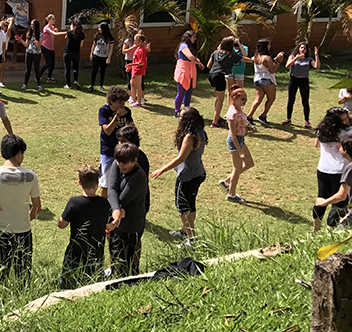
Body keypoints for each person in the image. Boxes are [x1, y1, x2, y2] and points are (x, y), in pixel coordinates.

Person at [0, 134, 41, 280]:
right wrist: (26, 220)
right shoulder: (31, 176)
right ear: (19, 153)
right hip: (23, 231)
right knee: (23, 275)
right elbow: (37, 208)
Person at [150, 107, 208, 245]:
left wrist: (162, 170)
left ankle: (191, 239)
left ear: (188, 119)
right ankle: (184, 231)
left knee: (182, 206)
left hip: (187, 176)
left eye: (181, 117)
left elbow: (181, 158)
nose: (178, 118)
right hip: (198, 173)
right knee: (190, 204)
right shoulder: (200, 132)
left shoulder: (189, 136)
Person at [57, 166, 113, 289]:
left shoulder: (74, 202)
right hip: (96, 255)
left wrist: (60, 220)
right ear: (97, 184)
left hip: (75, 254)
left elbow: (62, 224)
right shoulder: (104, 203)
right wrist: (118, 219)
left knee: (67, 286)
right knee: (94, 287)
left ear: (79, 183)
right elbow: (109, 227)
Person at [107, 142, 149, 277]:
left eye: (125, 162)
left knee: (125, 262)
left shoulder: (139, 177)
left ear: (135, 160)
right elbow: (111, 188)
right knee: (114, 254)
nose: (121, 165)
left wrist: (116, 209)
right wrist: (117, 209)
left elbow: (123, 199)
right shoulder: (117, 164)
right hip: (118, 220)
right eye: (118, 161)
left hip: (131, 226)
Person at [312, 108, 352, 231]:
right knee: (339, 204)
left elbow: (316, 145)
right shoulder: (347, 132)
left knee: (321, 199)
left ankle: (315, 230)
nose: (347, 121)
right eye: (344, 119)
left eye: (347, 118)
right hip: (341, 170)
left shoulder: (321, 130)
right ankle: (329, 232)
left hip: (323, 169)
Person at [219, 85, 256, 202]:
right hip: (235, 142)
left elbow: (241, 123)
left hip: (241, 139)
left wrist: (249, 128)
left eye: (246, 98)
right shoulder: (233, 113)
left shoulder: (240, 109)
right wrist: (239, 151)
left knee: (249, 163)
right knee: (237, 167)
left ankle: (227, 182)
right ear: (234, 99)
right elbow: (232, 134)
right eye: (242, 99)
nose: (245, 101)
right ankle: (231, 194)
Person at [97, 86, 133, 198]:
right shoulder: (104, 111)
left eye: (124, 102)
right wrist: (117, 116)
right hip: (108, 151)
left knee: (121, 183)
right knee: (105, 183)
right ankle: (103, 206)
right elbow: (107, 131)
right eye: (120, 102)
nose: (122, 105)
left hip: (122, 152)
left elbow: (131, 130)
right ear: (111, 101)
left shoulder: (127, 111)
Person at [207, 37, 250, 128]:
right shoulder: (231, 55)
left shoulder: (215, 53)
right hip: (219, 76)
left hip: (211, 75)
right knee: (220, 100)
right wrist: (255, 60)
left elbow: (208, 65)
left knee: (218, 98)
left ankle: (217, 117)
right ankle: (215, 122)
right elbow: (246, 59)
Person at [247, 38, 285, 125]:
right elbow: (272, 70)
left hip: (257, 79)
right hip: (267, 79)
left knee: (258, 99)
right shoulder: (267, 58)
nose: (270, 46)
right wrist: (279, 61)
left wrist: (276, 59)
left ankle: (249, 116)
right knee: (271, 98)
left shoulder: (256, 56)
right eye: (268, 45)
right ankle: (263, 116)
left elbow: (266, 64)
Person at [284, 41, 320, 128]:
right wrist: (296, 59)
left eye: (305, 48)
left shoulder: (309, 59)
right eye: (301, 47)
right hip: (293, 79)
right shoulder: (292, 57)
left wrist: (316, 55)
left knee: (305, 101)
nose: (303, 49)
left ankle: (306, 121)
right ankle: (288, 118)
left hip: (304, 80)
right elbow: (287, 66)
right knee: (291, 100)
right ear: (298, 48)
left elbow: (316, 66)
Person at [171, 30, 205, 115]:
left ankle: (187, 110)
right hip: (183, 70)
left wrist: (198, 63)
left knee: (189, 92)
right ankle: (177, 111)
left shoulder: (190, 47)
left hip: (191, 71)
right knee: (181, 92)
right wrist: (198, 62)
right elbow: (190, 57)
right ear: (188, 37)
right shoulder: (183, 45)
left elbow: (192, 58)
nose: (195, 39)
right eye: (193, 37)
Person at [17, 19, 44, 91]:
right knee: (28, 69)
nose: (32, 26)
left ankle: (38, 84)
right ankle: (25, 84)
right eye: (31, 24)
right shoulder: (29, 33)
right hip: (29, 53)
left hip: (37, 54)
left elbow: (39, 46)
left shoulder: (40, 35)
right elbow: (26, 45)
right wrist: (21, 40)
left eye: (33, 25)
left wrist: (37, 42)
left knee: (36, 69)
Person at [38, 13, 66, 83]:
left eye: (54, 19)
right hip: (45, 47)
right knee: (48, 63)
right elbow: (54, 34)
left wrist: (55, 30)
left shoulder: (53, 27)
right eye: (53, 19)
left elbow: (53, 37)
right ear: (49, 20)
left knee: (53, 63)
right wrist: (66, 33)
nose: (54, 20)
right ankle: (38, 76)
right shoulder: (46, 28)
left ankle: (49, 77)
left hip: (51, 47)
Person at [88, 22, 114, 92]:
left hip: (104, 56)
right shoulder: (97, 36)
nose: (98, 29)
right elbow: (93, 45)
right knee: (94, 70)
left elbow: (111, 48)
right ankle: (92, 85)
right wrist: (91, 54)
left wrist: (109, 57)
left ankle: (101, 85)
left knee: (102, 71)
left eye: (100, 28)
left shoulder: (110, 38)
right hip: (96, 55)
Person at [125, 33, 148, 106]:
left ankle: (139, 102)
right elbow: (135, 59)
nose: (135, 42)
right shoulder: (137, 48)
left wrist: (131, 65)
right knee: (132, 83)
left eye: (136, 41)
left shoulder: (142, 50)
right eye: (134, 40)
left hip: (139, 69)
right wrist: (131, 66)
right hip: (134, 68)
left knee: (138, 85)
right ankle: (133, 99)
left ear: (141, 42)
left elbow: (141, 63)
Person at [63, 18, 85, 90]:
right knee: (75, 68)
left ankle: (68, 84)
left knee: (67, 68)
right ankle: (75, 80)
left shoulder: (70, 33)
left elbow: (65, 37)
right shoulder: (81, 34)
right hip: (76, 53)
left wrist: (71, 29)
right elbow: (81, 45)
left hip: (68, 52)